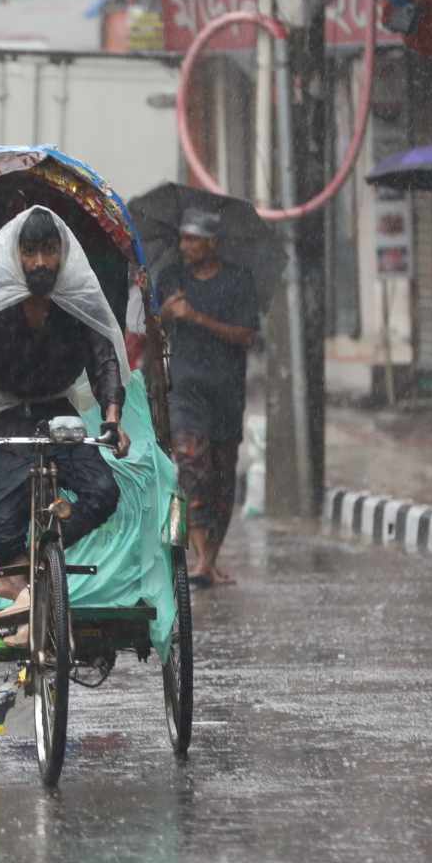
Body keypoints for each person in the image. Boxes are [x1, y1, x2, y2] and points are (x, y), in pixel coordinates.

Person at [0, 209, 130, 632]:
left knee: (103, 491)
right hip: (2, 416)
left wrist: (113, 420)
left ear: (62, 253)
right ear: (16, 255)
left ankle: (38, 557)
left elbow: (104, 363)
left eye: (48, 251)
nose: (40, 262)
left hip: (57, 412)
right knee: (2, 533)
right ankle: (18, 581)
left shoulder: (78, 298)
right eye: (30, 252)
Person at [158, 207, 260, 587]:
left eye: (193, 239)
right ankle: (200, 558)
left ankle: (211, 559)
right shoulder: (172, 278)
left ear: (212, 243)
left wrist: (197, 318)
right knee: (190, 468)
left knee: (221, 479)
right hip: (185, 392)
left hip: (226, 393)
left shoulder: (238, 281)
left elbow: (247, 335)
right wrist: (167, 313)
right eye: (182, 238)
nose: (185, 246)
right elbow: (151, 325)